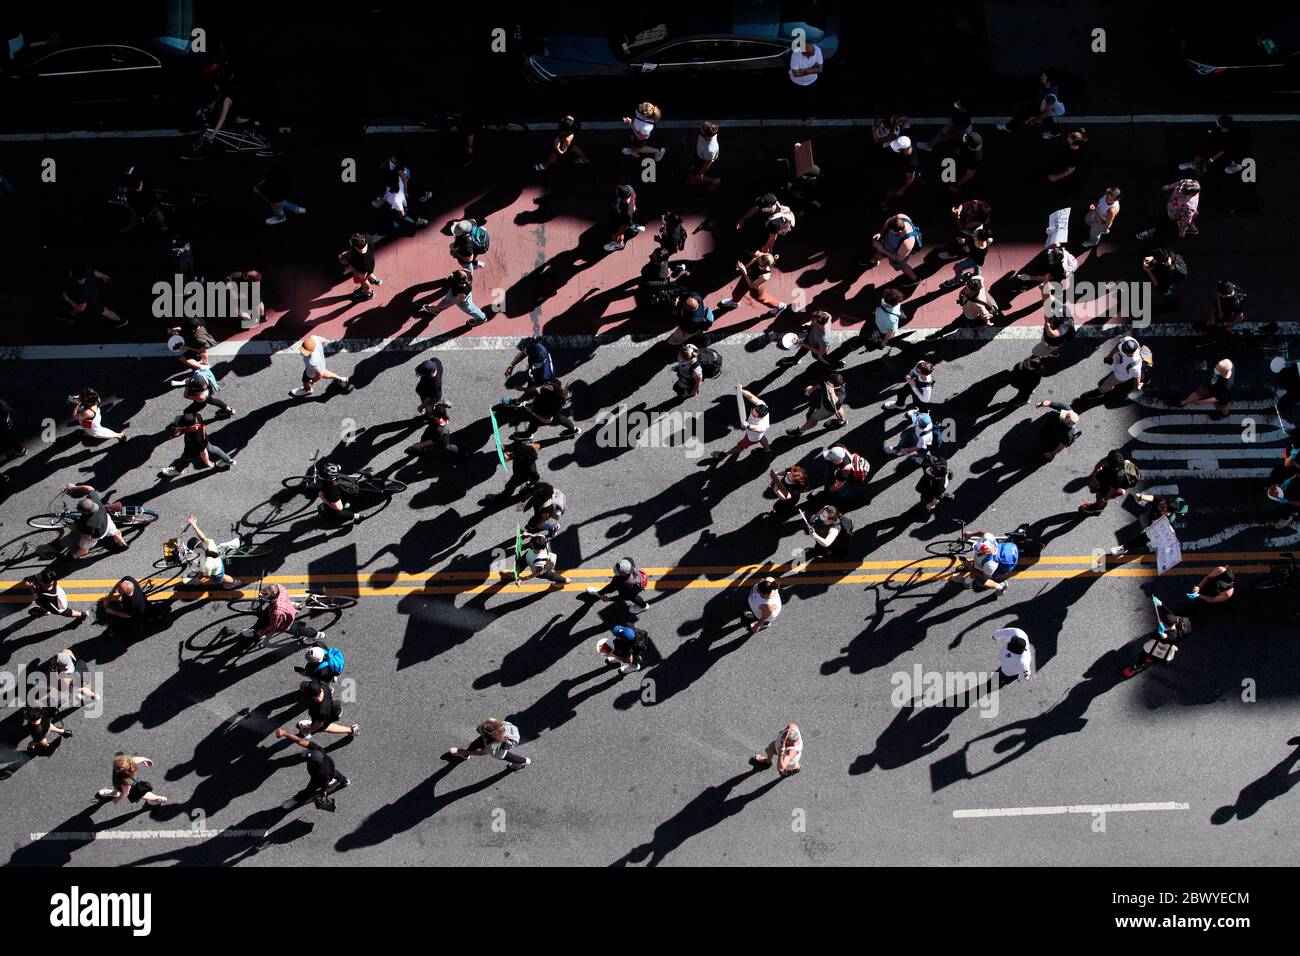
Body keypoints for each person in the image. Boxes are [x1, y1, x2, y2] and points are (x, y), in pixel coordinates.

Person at [275, 729, 350, 809]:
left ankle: (295, 800)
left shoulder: (321, 772)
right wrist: (285, 733)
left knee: (309, 790)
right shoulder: (317, 749)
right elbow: (300, 741)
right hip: (330, 767)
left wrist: (323, 791)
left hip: (322, 777)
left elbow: (325, 783)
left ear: (314, 763)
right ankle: (344, 781)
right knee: (335, 773)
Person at [1122, 597, 1190, 678]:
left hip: (1165, 645)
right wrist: (1160, 604)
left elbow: (1165, 638)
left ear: (1166, 625)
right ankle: (1151, 660)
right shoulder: (1177, 620)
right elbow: (1168, 613)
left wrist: (1161, 633)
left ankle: (1137, 667)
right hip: (1172, 641)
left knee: (1144, 654)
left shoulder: (1172, 636)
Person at [238, 583, 324, 643]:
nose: (262, 597)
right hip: (284, 605)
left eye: (265, 598)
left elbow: (274, 626)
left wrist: (262, 632)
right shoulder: (278, 587)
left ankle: (316, 634)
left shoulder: (277, 612)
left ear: (273, 599)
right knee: (264, 617)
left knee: (295, 629)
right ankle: (255, 629)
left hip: (285, 616)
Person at [1109, 493, 1190, 557]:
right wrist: (1141, 496)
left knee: (1143, 538)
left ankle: (1124, 548)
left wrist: (1153, 527)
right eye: (1163, 504)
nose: (1161, 506)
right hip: (1150, 518)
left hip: (1154, 527)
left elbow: (1162, 531)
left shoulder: (1168, 521)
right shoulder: (1160, 500)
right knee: (1144, 524)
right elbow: (1152, 498)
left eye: (1164, 508)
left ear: (1169, 513)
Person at [157, 413, 235, 477]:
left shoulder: (196, 439)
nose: (178, 426)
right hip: (205, 439)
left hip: (192, 450)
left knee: (184, 459)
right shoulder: (197, 416)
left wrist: (208, 462)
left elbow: (203, 452)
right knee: (212, 448)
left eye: (181, 425)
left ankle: (177, 470)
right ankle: (228, 460)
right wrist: (181, 428)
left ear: (189, 426)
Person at [180, 514, 244, 590]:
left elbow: (205, 575)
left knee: (222, 578)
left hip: (217, 570)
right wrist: (194, 525)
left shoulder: (206, 565)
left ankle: (234, 583)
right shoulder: (209, 544)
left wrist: (198, 578)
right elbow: (203, 537)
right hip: (216, 562)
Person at [716, 253, 786, 319]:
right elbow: (752, 263)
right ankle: (734, 303)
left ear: (764, 265)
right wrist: (744, 268)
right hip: (747, 276)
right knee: (737, 291)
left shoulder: (765, 276)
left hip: (756, 284)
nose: (758, 258)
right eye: (759, 258)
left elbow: (752, 285)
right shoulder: (760, 256)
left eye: (760, 260)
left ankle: (779, 306)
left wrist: (744, 271)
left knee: (760, 298)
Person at [997, 70, 1066, 138]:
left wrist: (1036, 120)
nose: (1041, 77)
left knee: (1046, 119)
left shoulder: (1050, 96)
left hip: (1045, 109)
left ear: (1049, 81)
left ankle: (1056, 132)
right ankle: (1009, 127)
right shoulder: (1047, 84)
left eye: (1043, 76)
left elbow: (1047, 113)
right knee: (1025, 113)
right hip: (1040, 105)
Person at [61, 264, 128, 330]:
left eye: (71, 273)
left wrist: (67, 299)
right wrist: (103, 276)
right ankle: (71, 316)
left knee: (103, 310)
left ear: (78, 279)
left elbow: (81, 308)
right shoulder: (86, 268)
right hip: (93, 291)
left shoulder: (83, 291)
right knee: (78, 305)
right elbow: (96, 272)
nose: (70, 272)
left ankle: (121, 321)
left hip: (93, 302)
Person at [65, 490, 128, 559]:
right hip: (106, 521)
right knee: (116, 532)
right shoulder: (94, 500)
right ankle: (123, 544)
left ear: (86, 513)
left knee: (84, 547)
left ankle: (74, 557)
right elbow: (89, 488)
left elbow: (87, 537)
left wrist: (74, 528)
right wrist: (74, 487)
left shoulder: (90, 524)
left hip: (100, 532)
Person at [510, 378, 580, 440]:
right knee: (559, 418)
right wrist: (523, 389)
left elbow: (547, 420)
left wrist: (532, 412)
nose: (543, 385)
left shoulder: (550, 403)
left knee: (535, 421)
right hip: (549, 409)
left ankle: (528, 435)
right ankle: (574, 430)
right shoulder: (553, 384)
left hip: (544, 413)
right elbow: (538, 389)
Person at [863, 213, 922, 284]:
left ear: (901, 232)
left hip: (897, 253)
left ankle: (915, 279)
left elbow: (899, 258)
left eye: (891, 232)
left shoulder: (907, 243)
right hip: (886, 245)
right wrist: (881, 233)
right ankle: (874, 261)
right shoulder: (900, 217)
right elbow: (888, 222)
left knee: (902, 266)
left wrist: (882, 249)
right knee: (878, 253)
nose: (889, 231)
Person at [449, 718, 530, 769]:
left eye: (480, 732)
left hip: (503, 745)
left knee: (504, 755)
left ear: (487, 737)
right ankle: (465, 756)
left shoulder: (492, 746)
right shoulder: (494, 723)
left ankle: (523, 762)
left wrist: (462, 751)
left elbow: (482, 753)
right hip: (509, 735)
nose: (478, 728)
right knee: (476, 743)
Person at [714, 388, 771, 459]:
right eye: (754, 409)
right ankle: (767, 450)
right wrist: (741, 390)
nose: (752, 410)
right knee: (761, 437)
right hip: (757, 435)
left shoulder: (762, 425)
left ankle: (725, 454)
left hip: (751, 438)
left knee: (740, 447)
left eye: (754, 412)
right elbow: (751, 397)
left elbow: (757, 428)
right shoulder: (762, 406)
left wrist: (748, 425)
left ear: (760, 417)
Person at [1179, 114, 1244, 176]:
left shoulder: (1220, 136)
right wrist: (1211, 160)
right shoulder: (1230, 137)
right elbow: (1222, 152)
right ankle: (1194, 164)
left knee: (1204, 151)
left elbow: (1221, 151)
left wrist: (1209, 161)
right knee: (1205, 150)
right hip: (1215, 146)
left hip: (1212, 146)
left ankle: (1193, 164)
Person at [419, 267, 487, 326]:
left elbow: (450, 304)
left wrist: (435, 307)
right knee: (445, 300)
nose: (452, 274)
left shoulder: (463, 293)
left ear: (457, 282)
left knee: (470, 310)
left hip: (462, 301)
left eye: (453, 275)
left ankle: (482, 318)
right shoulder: (466, 272)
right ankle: (437, 310)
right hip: (454, 292)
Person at [1136, 179, 1201, 240]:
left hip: (1175, 214)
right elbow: (1179, 183)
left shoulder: (1189, 206)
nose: (1179, 190)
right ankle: (1194, 230)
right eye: (1181, 188)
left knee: (1164, 221)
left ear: (1192, 195)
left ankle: (1151, 231)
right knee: (1191, 220)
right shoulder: (1187, 183)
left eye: (1183, 192)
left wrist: (1182, 231)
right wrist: (1169, 186)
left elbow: (1185, 220)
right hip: (1183, 212)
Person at [787, 372, 847, 436]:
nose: (827, 383)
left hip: (828, 408)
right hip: (830, 403)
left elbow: (835, 402)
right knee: (839, 408)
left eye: (829, 383)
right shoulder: (830, 382)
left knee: (813, 419)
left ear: (835, 386)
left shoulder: (840, 395)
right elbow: (822, 384)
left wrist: (831, 391)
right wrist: (812, 389)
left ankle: (799, 432)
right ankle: (842, 422)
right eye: (828, 382)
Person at [1081, 449, 1140, 513]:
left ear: (1111, 467)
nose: (1105, 461)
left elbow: (1111, 491)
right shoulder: (1117, 460)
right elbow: (1105, 460)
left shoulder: (1116, 478)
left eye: (1107, 462)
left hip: (1112, 485)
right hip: (1111, 479)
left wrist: (1104, 500)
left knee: (1100, 495)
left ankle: (1098, 508)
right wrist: (1097, 467)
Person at [96, 754, 167, 806]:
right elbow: (135, 759)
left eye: (116, 767)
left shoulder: (125, 781)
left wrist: (118, 799)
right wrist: (145, 759)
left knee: (142, 795)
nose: (114, 765)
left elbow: (126, 793)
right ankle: (114, 793)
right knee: (117, 786)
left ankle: (159, 799)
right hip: (120, 784)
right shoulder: (127, 764)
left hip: (133, 787)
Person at [339, 232, 383, 302]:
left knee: (363, 281)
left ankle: (369, 294)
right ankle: (375, 280)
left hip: (363, 271)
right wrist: (349, 252)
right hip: (371, 264)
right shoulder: (367, 237)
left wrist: (350, 266)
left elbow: (362, 277)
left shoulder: (363, 262)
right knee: (369, 272)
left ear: (357, 248)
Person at [878, 136, 919, 209]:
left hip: (902, 174)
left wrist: (903, 188)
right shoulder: (909, 141)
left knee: (892, 189)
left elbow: (910, 177)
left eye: (898, 148)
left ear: (905, 149)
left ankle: (884, 201)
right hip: (899, 166)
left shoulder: (912, 163)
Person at [788, 38, 823, 121]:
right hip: (797, 83)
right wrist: (813, 69)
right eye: (812, 54)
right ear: (805, 54)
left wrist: (806, 70)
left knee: (812, 100)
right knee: (799, 101)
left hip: (812, 82)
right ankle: (802, 116)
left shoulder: (816, 50)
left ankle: (811, 115)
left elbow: (820, 69)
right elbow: (795, 74)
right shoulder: (795, 55)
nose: (815, 54)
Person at [687, 120, 722, 189]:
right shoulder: (710, 130)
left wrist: (700, 174)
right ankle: (693, 178)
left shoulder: (710, 150)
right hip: (700, 153)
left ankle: (715, 180)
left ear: (708, 138)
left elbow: (707, 163)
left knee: (697, 175)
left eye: (702, 133)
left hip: (702, 160)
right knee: (693, 171)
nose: (700, 132)